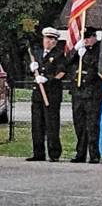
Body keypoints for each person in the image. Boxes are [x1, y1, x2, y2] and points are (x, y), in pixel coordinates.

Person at [26, 27, 66, 162]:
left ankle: (54, 153)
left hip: (51, 95)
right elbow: (30, 70)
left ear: (55, 41)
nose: (47, 42)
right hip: (37, 95)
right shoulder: (37, 53)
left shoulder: (59, 55)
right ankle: (38, 153)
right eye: (46, 39)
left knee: (52, 125)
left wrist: (48, 79)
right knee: (37, 125)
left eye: (50, 39)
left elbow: (61, 72)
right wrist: (31, 69)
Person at [68, 26, 102, 164]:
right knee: (79, 124)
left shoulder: (99, 50)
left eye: (89, 37)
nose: (86, 40)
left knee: (92, 125)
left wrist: (86, 58)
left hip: (92, 93)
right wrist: (75, 51)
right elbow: (66, 63)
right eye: (84, 38)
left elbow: (98, 68)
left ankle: (94, 154)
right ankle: (80, 153)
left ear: (95, 37)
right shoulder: (79, 50)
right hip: (78, 93)